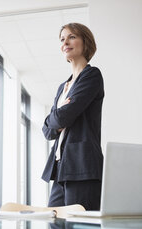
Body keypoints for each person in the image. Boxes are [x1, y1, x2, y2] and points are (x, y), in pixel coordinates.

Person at [41, 23, 104, 210]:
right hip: (61, 166)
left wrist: (56, 117)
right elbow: (48, 132)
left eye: (71, 37)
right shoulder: (63, 87)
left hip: (82, 165)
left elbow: (62, 119)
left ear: (85, 42)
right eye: (62, 39)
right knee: (56, 225)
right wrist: (54, 118)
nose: (65, 42)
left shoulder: (91, 75)